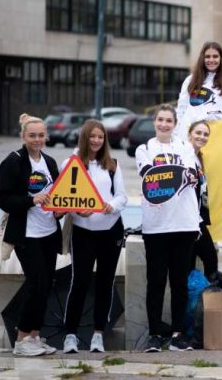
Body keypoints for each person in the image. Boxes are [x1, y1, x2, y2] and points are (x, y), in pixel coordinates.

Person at [135, 104, 202, 353]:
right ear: (154, 122)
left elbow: (192, 175)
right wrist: (178, 176)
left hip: (184, 223)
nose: (164, 124)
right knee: (156, 281)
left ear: (175, 124)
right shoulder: (144, 149)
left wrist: (178, 176)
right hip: (156, 226)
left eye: (169, 121)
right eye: (160, 120)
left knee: (179, 283)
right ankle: (154, 334)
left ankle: (177, 334)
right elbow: (149, 177)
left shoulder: (185, 147)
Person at [0, 113, 62, 356]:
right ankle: (21, 339)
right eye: (32, 135)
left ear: (46, 136)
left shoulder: (50, 162)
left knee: (46, 285)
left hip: (49, 233)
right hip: (26, 235)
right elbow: (3, 198)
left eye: (41, 135)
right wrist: (31, 200)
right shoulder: (13, 162)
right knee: (36, 284)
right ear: (23, 136)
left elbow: (57, 196)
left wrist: (60, 211)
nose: (37, 140)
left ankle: (35, 336)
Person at [62, 119, 127, 354]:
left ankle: (98, 335)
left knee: (105, 283)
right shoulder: (71, 163)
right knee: (79, 282)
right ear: (84, 137)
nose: (96, 140)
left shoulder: (112, 164)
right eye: (92, 136)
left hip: (110, 231)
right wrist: (77, 211)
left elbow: (122, 197)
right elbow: (64, 199)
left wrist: (111, 206)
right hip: (83, 232)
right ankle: (70, 335)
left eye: (100, 137)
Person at [176, 41, 222, 139]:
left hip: (214, 137)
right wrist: (176, 134)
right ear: (202, 58)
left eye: (215, 56)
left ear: (221, 58)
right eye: (207, 57)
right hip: (187, 137)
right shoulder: (190, 80)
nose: (211, 60)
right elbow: (181, 110)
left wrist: (206, 117)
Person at [188, 120, 218, 277]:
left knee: (192, 264)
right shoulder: (184, 156)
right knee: (210, 258)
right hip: (189, 220)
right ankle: (209, 290)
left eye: (206, 134)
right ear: (189, 134)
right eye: (198, 133)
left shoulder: (198, 158)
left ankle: (197, 291)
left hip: (196, 217)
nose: (202, 137)